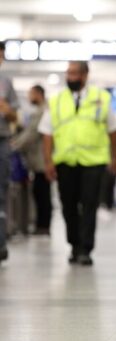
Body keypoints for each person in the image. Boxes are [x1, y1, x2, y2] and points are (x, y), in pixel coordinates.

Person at [39, 61, 116, 266]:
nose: (70, 77)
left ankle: (85, 248)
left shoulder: (101, 99)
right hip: (66, 162)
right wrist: (48, 161)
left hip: (93, 162)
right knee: (68, 206)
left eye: (75, 73)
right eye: (68, 73)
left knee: (89, 205)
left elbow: (113, 130)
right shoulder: (57, 100)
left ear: (85, 75)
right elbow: (47, 133)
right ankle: (74, 245)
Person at [11, 85, 52, 236]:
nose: (29, 97)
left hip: (42, 160)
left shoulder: (42, 112)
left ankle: (43, 226)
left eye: (31, 94)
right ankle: (42, 225)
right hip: (39, 160)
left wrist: (13, 145)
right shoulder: (41, 110)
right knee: (40, 192)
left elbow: (32, 134)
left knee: (42, 193)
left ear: (39, 94)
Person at [0, 41, 20, 262]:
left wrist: (7, 111)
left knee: (1, 192)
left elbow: (16, 117)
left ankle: (1, 243)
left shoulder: (6, 83)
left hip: (2, 140)